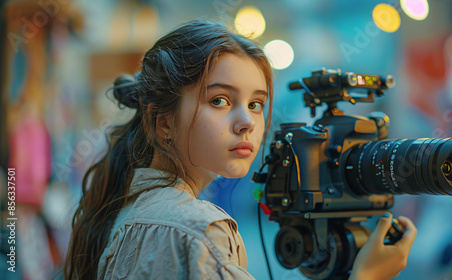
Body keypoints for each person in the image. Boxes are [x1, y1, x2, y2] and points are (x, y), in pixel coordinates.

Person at [63, 19, 417, 280]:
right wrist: (368, 276)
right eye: (220, 100)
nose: (246, 122)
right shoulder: (195, 229)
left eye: (256, 104)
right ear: (163, 122)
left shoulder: (127, 206)